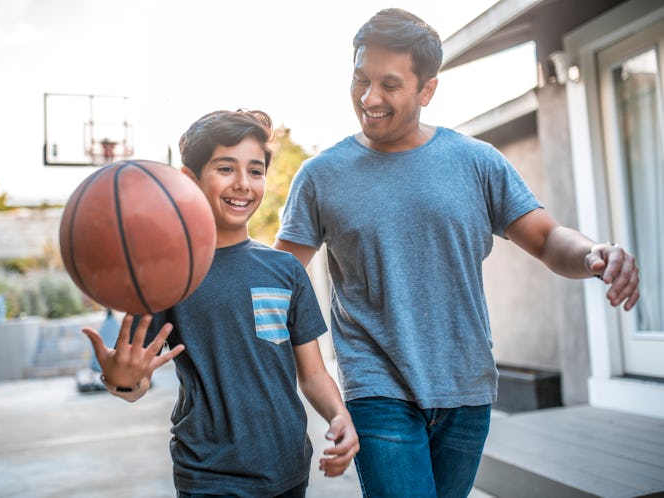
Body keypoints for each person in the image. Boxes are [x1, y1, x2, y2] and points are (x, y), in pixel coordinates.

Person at [274, 8, 640, 498]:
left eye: (389, 84)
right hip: (375, 386)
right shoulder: (321, 177)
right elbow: (280, 281)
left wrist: (595, 252)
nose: (369, 98)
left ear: (427, 90)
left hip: (465, 385)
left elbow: (548, 239)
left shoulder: (477, 162)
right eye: (360, 80)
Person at [83, 109, 359, 498]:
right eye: (226, 169)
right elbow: (136, 381)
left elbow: (312, 374)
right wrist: (120, 377)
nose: (244, 184)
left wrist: (339, 414)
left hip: (288, 469)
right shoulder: (166, 276)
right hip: (209, 475)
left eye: (256, 171)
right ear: (189, 180)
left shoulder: (285, 270)